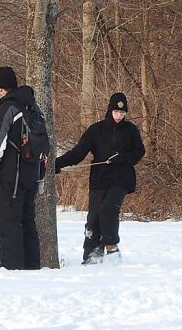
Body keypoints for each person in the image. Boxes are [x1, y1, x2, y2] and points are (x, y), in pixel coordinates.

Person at [54, 92, 145, 264]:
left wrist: (123, 158)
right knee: (94, 218)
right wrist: (57, 163)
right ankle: (91, 257)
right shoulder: (96, 130)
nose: (119, 116)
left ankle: (112, 247)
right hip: (99, 179)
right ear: (110, 111)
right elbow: (78, 152)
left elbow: (139, 152)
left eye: (122, 113)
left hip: (121, 179)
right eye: (116, 112)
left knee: (108, 208)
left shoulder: (131, 130)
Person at [0, 66, 43, 270]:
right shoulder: (33, 108)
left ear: (1, 89)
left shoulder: (6, 108)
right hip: (31, 176)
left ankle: (14, 273)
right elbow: (43, 146)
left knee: (9, 225)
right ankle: (33, 269)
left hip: (9, 180)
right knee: (28, 224)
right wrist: (40, 177)